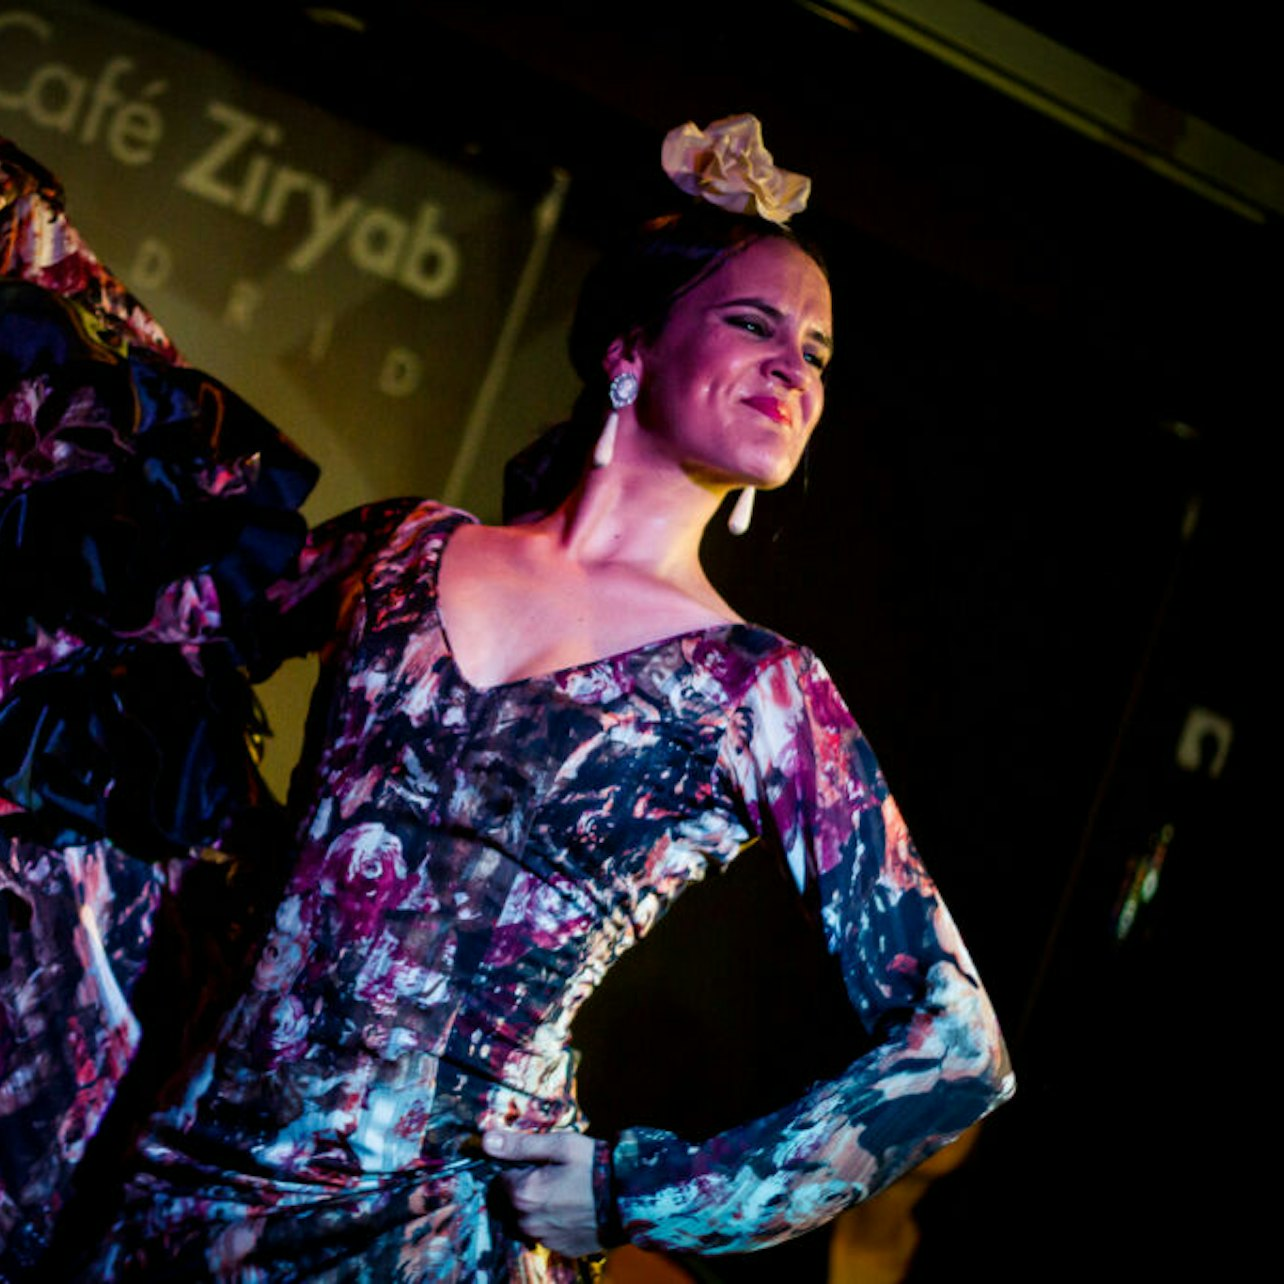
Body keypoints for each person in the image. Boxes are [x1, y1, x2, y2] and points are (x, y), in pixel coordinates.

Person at [5, 117, 1013, 1281]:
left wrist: (645, 1195)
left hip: (440, 1238)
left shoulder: (762, 692)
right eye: (755, 323)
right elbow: (137, 638)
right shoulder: (404, 552)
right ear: (631, 350)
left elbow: (957, 1047)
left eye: (821, 352)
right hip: (178, 1192)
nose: (796, 366)